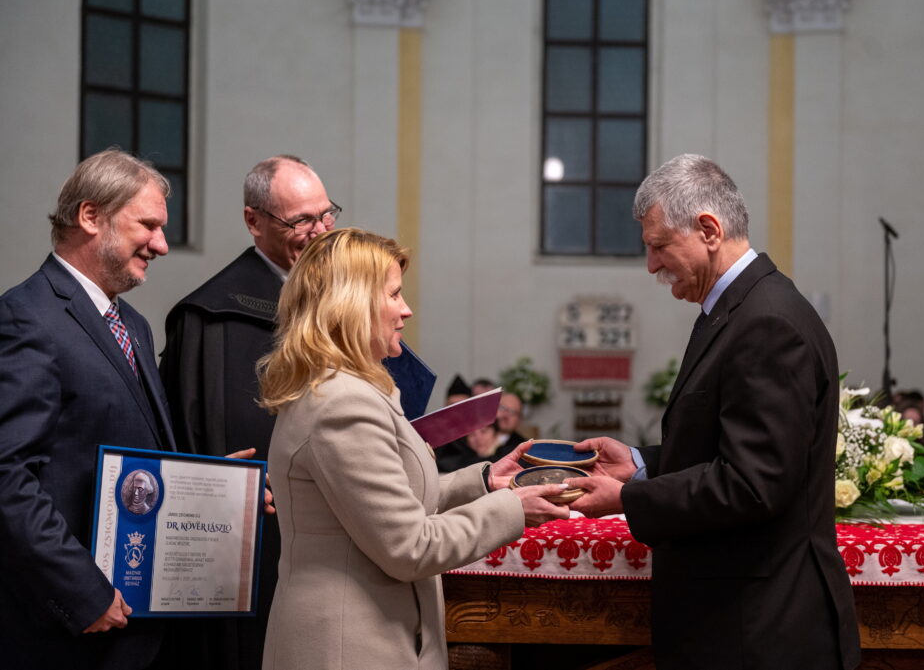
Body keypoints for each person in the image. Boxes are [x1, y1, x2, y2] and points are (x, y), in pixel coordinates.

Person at [564, 154, 861, 670]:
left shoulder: (767, 322)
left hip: (761, 629)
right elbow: (726, 447)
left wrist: (630, 497)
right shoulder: (741, 308)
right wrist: (641, 463)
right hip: (742, 619)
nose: (652, 265)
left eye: (658, 246)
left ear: (707, 229)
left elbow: (754, 483)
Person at [257, 228, 568, 669]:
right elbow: (409, 546)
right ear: (353, 303)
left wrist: (483, 481)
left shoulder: (348, 388)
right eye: (394, 294)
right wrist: (512, 508)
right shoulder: (343, 403)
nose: (406, 310)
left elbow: (389, 505)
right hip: (349, 643)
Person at [0, 149, 177, 669]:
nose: (162, 245)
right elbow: (7, 475)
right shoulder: (26, 317)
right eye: (149, 225)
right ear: (91, 216)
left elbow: (129, 449)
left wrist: (209, 489)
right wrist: (81, 592)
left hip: (136, 630)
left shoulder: (136, 328)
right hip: (66, 633)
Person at [159, 154, 336, 670]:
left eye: (326, 215)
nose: (319, 231)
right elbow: (183, 440)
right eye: (300, 220)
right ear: (254, 221)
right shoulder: (209, 318)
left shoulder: (336, 303)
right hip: (253, 543)